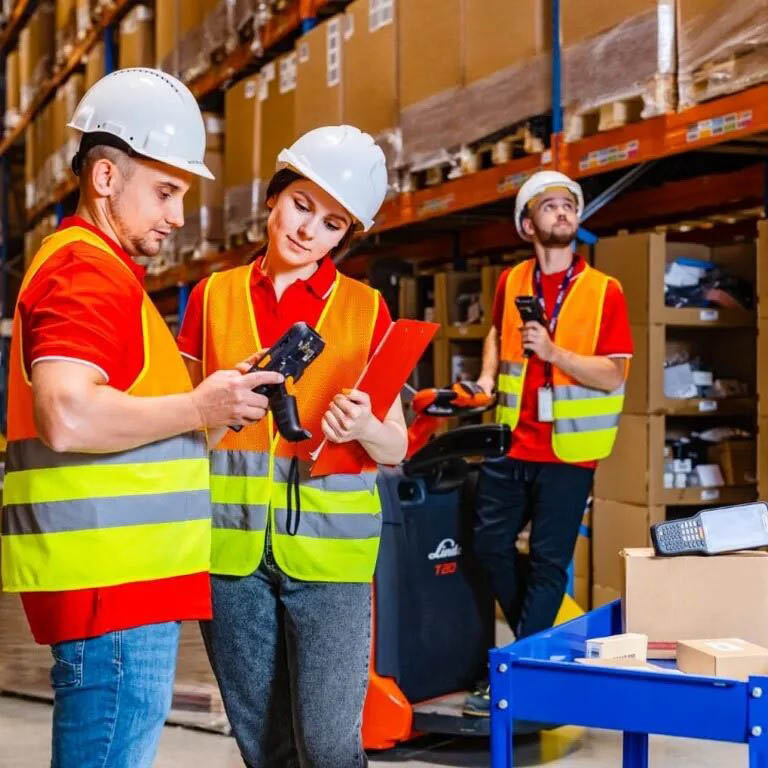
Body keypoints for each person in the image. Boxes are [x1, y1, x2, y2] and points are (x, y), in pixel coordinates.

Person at [0, 69, 281, 768]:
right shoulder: (86, 272)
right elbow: (65, 414)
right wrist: (198, 404)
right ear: (103, 177)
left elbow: (132, 426)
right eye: (165, 191)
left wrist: (212, 408)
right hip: (111, 597)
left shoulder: (103, 274)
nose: (178, 216)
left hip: (119, 589)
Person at [177, 125, 408, 768]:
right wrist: (220, 409)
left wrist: (364, 427)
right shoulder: (212, 297)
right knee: (264, 745)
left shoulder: (366, 311)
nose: (308, 231)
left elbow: (395, 445)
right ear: (274, 198)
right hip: (229, 555)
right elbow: (180, 428)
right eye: (301, 205)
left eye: (332, 224)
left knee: (331, 745)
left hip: (330, 563)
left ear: (345, 236)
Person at [464, 170, 633, 716]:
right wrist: (488, 381)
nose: (562, 213)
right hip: (512, 442)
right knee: (489, 547)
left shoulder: (605, 291)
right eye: (549, 206)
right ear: (526, 223)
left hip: (569, 452)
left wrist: (556, 353)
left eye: (569, 205)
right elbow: (495, 332)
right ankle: (538, 654)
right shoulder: (511, 281)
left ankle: (519, 672)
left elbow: (614, 375)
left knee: (547, 562)